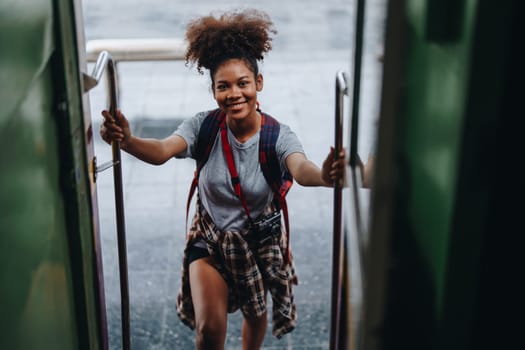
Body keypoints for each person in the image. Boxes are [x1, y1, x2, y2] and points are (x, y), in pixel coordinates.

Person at [100, 9, 345, 350]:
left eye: (243, 83)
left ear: (258, 83)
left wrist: (326, 174)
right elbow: (162, 151)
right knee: (210, 331)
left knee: (254, 316)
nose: (234, 94)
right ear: (213, 89)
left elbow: (302, 170)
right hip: (210, 240)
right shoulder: (204, 127)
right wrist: (127, 140)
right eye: (223, 86)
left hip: (257, 245)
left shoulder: (277, 136)